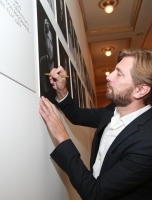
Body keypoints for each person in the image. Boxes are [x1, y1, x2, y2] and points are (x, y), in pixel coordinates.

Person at [39, 48, 152, 199]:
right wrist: (62, 91)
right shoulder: (114, 109)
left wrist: (62, 137)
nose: (109, 77)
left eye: (119, 74)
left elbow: (95, 194)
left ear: (140, 90)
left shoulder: (147, 143)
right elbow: (78, 116)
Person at [39, 18, 57, 104]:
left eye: (50, 41)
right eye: (46, 41)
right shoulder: (43, 61)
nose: (49, 46)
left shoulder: (58, 65)